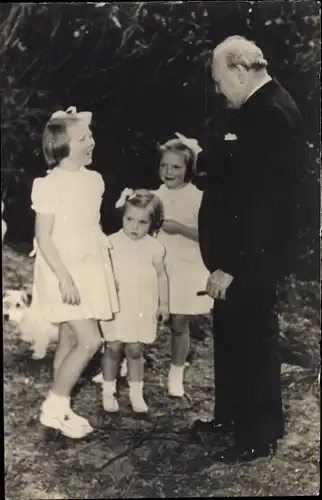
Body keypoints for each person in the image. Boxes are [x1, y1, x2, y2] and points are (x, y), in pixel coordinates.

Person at [194, 36, 306, 463]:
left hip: (253, 255)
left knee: (253, 338)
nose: (218, 89)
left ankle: (258, 436)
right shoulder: (259, 109)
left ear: (240, 71)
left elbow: (260, 205)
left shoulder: (269, 115)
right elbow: (237, 179)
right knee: (233, 330)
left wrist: (232, 266)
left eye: (220, 80)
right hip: (242, 252)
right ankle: (231, 418)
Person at [27, 106, 119, 439]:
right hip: (62, 271)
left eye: (90, 135)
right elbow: (44, 237)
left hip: (89, 267)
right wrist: (64, 277)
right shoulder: (48, 185)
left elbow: (89, 227)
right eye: (84, 138)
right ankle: (54, 405)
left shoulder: (94, 180)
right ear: (63, 145)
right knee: (91, 339)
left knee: (70, 336)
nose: (91, 141)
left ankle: (61, 411)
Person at [100, 189, 170, 414]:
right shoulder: (111, 243)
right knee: (113, 347)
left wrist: (164, 304)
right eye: (129, 219)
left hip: (141, 307)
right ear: (122, 216)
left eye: (142, 222)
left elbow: (161, 276)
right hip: (117, 306)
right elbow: (101, 273)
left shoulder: (154, 248)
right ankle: (108, 391)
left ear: (152, 223)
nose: (134, 227)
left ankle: (136, 393)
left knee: (135, 349)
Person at [154, 133, 213, 397]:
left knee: (178, 321)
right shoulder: (155, 196)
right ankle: (122, 361)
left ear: (189, 169)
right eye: (164, 166)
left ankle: (176, 374)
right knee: (140, 312)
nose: (168, 172)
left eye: (176, 167)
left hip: (186, 266)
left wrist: (178, 227)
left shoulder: (199, 198)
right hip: (158, 265)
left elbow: (209, 233)